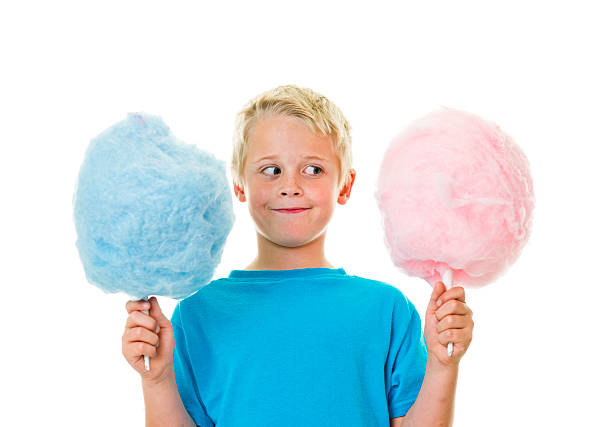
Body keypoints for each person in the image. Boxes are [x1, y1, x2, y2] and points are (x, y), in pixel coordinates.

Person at [122, 84, 474, 427]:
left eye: (313, 169)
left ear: (346, 185)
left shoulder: (387, 309)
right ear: (239, 184)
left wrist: (443, 365)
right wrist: (157, 380)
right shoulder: (197, 313)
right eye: (271, 170)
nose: (290, 185)